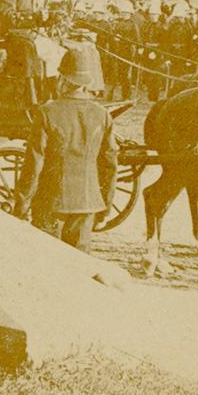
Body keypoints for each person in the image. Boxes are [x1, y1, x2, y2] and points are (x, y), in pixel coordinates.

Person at [19, 49, 117, 250]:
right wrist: (105, 206)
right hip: (87, 203)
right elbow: (110, 165)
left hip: (51, 203)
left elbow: (34, 163)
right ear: (86, 84)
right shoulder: (103, 115)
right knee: (80, 266)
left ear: (62, 79)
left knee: (47, 264)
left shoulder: (47, 112)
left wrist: (21, 203)